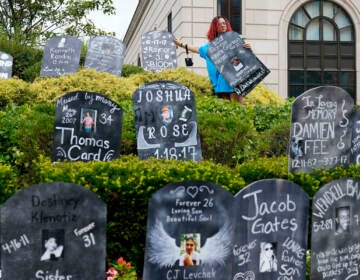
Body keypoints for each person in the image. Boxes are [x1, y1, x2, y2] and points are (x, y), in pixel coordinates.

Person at [174, 16, 251, 103]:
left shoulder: (234, 41)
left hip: (236, 80)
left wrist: (248, 49)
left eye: (224, 23)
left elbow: (246, 58)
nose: (223, 25)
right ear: (215, 27)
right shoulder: (210, 47)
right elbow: (196, 48)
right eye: (219, 24)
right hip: (222, 84)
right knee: (226, 110)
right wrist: (180, 44)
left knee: (239, 109)